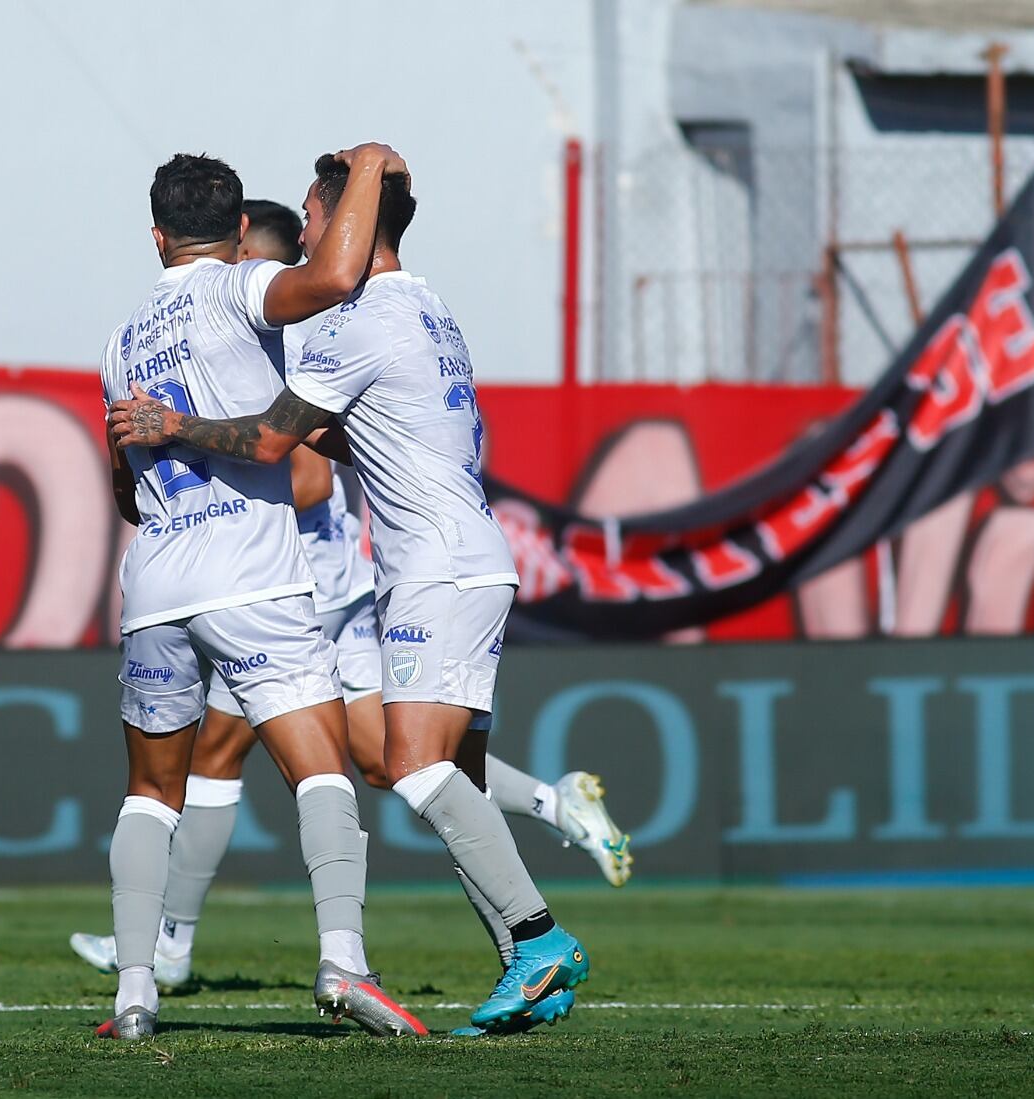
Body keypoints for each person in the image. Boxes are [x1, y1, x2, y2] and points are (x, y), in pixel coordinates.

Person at [72, 201, 631, 993]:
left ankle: (190, 948)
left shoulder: (302, 332)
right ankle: (535, 874)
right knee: (390, 762)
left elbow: (296, 466)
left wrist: (184, 429)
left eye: (313, 219)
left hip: (303, 591)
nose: (307, 240)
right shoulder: (401, 311)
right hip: (383, 575)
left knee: (359, 762)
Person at [94, 150, 426, 1040]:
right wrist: (366, 168)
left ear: (156, 235)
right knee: (321, 767)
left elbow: (123, 489)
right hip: (254, 576)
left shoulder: (120, 340)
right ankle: (345, 964)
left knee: (148, 793)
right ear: (241, 233)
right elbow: (336, 272)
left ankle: (134, 992)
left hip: (155, 583)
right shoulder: (241, 288)